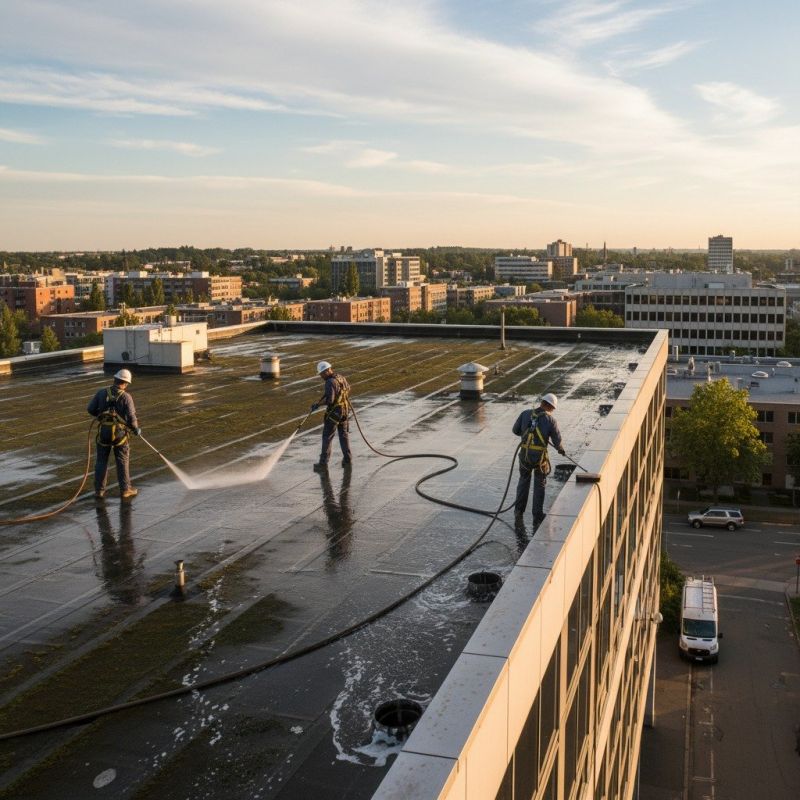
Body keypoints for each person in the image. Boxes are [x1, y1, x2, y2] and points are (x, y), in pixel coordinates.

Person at [512, 392, 565, 529]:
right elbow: (557, 440)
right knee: (539, 484)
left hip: (525, 455)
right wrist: (560, 449)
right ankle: (537, 514)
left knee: (523, 481)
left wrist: (527, 434)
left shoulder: (525, 414)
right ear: (550, 406)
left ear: (542, 402)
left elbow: (515, 430)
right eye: (552, 408)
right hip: (539, 458)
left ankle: (518, 511)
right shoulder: (551, 420)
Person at [87, 368, 141, 499]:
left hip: (104, 433)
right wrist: (135, 429)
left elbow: (90, 409)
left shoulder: (101, 393)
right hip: (120, 435)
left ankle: (99, 491)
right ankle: (125, 489)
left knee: (101, 461)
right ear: (126, 383)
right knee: (122, 461)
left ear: (115, 379)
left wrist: (101, 416)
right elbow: (131, 417)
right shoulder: (126, 397)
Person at [310, 360, 352, 471]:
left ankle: (323, 464)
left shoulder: (330, 382)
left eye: (322, 374)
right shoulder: (340, 377)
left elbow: (330, 400)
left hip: (334, 413)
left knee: (327, 437)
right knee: (343, 435)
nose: (321, 376)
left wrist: (318, 405)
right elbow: (348, 388)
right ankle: (348, 459)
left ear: (327, 371)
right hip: (344, 411)